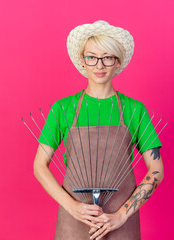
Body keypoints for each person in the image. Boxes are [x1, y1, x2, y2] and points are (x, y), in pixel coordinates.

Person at [33, 20, 164, 240]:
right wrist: (72, 206)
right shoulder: (63, 108)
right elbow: (39, 166)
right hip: (74, 219)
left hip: (121, 220)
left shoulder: (134, 110)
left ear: (117, 62)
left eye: (107, 57)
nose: (99, 65)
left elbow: (156, 169)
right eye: (91, 57)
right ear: (82, 61)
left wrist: (121, 216)